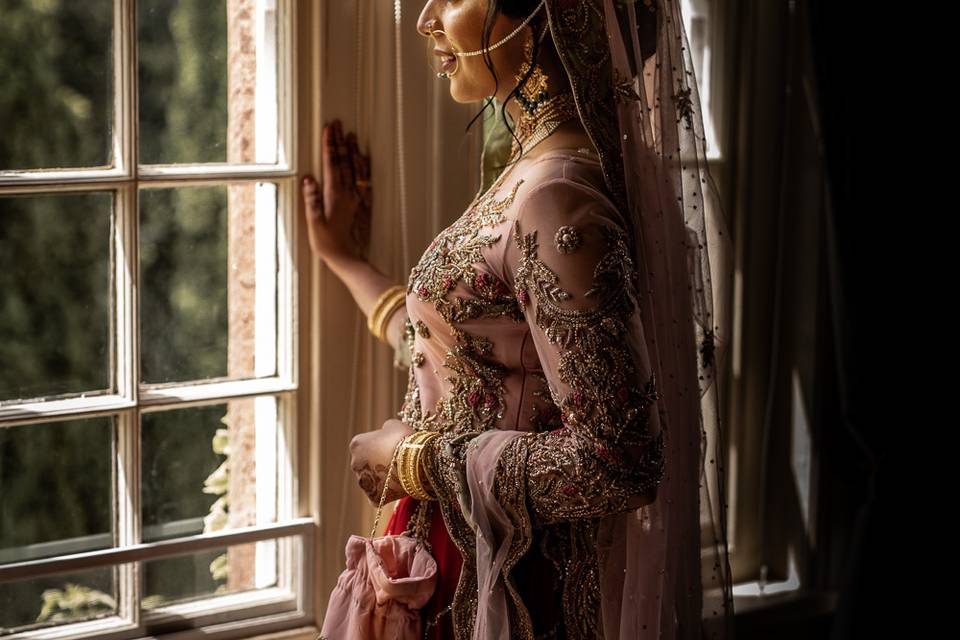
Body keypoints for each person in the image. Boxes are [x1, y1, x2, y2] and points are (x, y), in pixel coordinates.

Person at [302, 1, 734, 638]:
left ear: (547, 14)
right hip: (456, 569)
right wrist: (345, 261)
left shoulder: (557, 195)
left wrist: (415, 459)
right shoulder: (542, 174)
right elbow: (464, 357)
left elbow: (621, 462)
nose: (424, 19)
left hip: (500, 593)